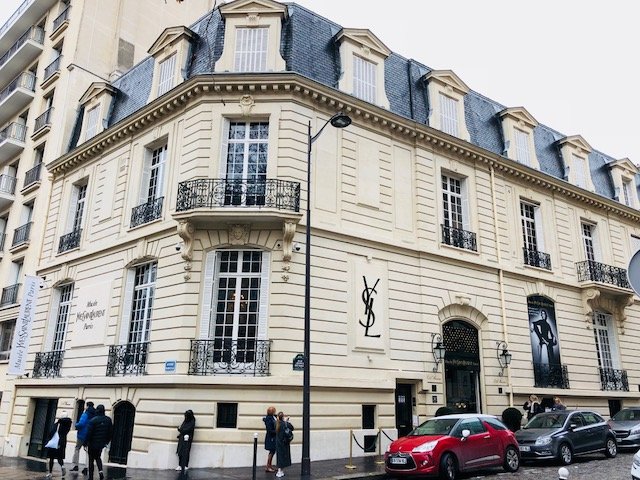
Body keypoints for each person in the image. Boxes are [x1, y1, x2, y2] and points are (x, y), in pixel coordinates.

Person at [84, 404, 113, 480]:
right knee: (98, 457)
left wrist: (85, 443)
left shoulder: (93, 420)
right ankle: (100, 472)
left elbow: (89, 433)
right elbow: (110, 433)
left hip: (92, 443)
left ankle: (90, 477)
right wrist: (106, 442)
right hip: (101, 444)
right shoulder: (108, 420)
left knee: (91, 460)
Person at [45, 410, 73, 479]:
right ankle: (62, 466)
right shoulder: (68, 424)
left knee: (51, 457)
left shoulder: (58, 423)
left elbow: (52, 432)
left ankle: (50, 473)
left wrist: (49, 438)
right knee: (59, 457)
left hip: (55, 441)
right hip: (63, 441)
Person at [71, 401, 96, 473]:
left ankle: (75, 465)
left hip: (82, 435)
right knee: (88, 451)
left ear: (87, 406)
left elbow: (81, 424)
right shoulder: (94, 414)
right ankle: (86, 467)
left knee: (77, 449)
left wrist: (76, 425)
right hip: (90, 435)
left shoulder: (85, 414)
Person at [275, 411, 293, 478]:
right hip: (284, 442)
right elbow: (292, 428)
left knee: (279, 456)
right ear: (282, 417)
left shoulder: (276, 423)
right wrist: (286, 421)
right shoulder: (284, 424)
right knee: (283, 456)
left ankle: (280, 470)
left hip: (278, 442)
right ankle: (280, 471)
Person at [263, 406, 277, 473]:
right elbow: (270, 430)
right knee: (271, 451)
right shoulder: (269, 419)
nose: (275, 412)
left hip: (272, 437)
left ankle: (269, 466)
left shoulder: (272, 417)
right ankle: (268, 467)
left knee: (272, 451)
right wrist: (277, 431)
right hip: (271, 437)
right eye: (274, 411)